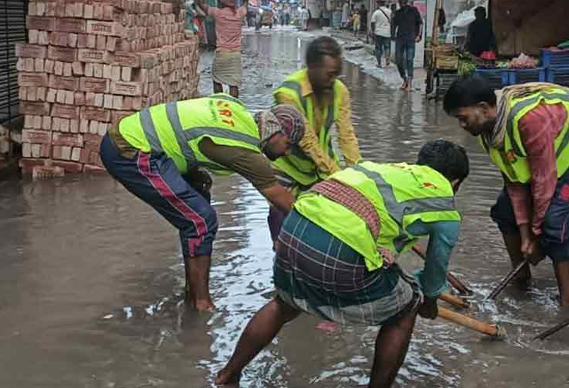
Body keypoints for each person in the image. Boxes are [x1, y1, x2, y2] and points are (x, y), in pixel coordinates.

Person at [215, 140, 470, 388]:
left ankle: (227, 374)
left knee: (285, 302)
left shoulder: (381, 170)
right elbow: (435, 269)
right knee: (407, 307)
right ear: (455, 183)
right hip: (338, 248)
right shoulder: (445, 206)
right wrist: (429, 300)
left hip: (294, 230)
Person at [99, 95, 306, 313]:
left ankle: (191, 291)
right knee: (200, 220)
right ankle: (200, 304)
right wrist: (318, 221)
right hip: (129, 151)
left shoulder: (237, 110)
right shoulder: (244, 149)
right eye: (289, 145)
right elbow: (279, 198)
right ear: (277, 133)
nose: (288, 152)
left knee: (199, 188)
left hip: (132, 135)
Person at [444, 78, 569, 306]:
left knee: (555, 226)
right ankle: (521, 278)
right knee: (504, 213)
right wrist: (526, 237)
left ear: (484, 108)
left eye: (462, 118)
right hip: (551, 155)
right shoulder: (489, 132)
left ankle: (568, 304)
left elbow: (543, 180)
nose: (461, 125)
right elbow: (514, 184)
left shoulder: (528, 119)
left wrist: (536, 234)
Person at [271, 36, 361, 241]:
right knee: (283, 226)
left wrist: (357, 175)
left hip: (321, 166)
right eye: (329, 75)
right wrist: (338, 176)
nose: (333, 80)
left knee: (327, 225)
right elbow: (308, 142)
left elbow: (347, 135)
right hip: (287, 168)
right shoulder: (289, 94)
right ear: (312, 68)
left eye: (336, 75)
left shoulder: (339, 90)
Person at [199, 0, 246, 98]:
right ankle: (233, 106)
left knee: (217, 80)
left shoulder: (217, 13)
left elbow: (202, 5)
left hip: (221, 54)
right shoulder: (240, 13)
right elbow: (246, 4)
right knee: (234, 84)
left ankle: (218, 103)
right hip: (235, 55)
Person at [391, 0, 423, 91]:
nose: (402, 3)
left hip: (410, 39)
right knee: (398, 60)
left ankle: (409, 83)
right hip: (400, 39)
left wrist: (419, 35)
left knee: (409, 60)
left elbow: (420, 23)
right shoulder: (397, 13)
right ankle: (404, 79)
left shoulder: (414, 10)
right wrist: (392, 34)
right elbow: (393, 25)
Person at [371, 0, 393, 67]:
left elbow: (372, 23)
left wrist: (373, 31)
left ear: (378, 3)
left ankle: (379, 63)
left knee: (378, 48)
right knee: (387, 47)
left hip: (378, 33)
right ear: (384, 3)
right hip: (387, 33)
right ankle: (387, 61)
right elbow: (392, 22)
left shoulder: (376, 12)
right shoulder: (390, 11)